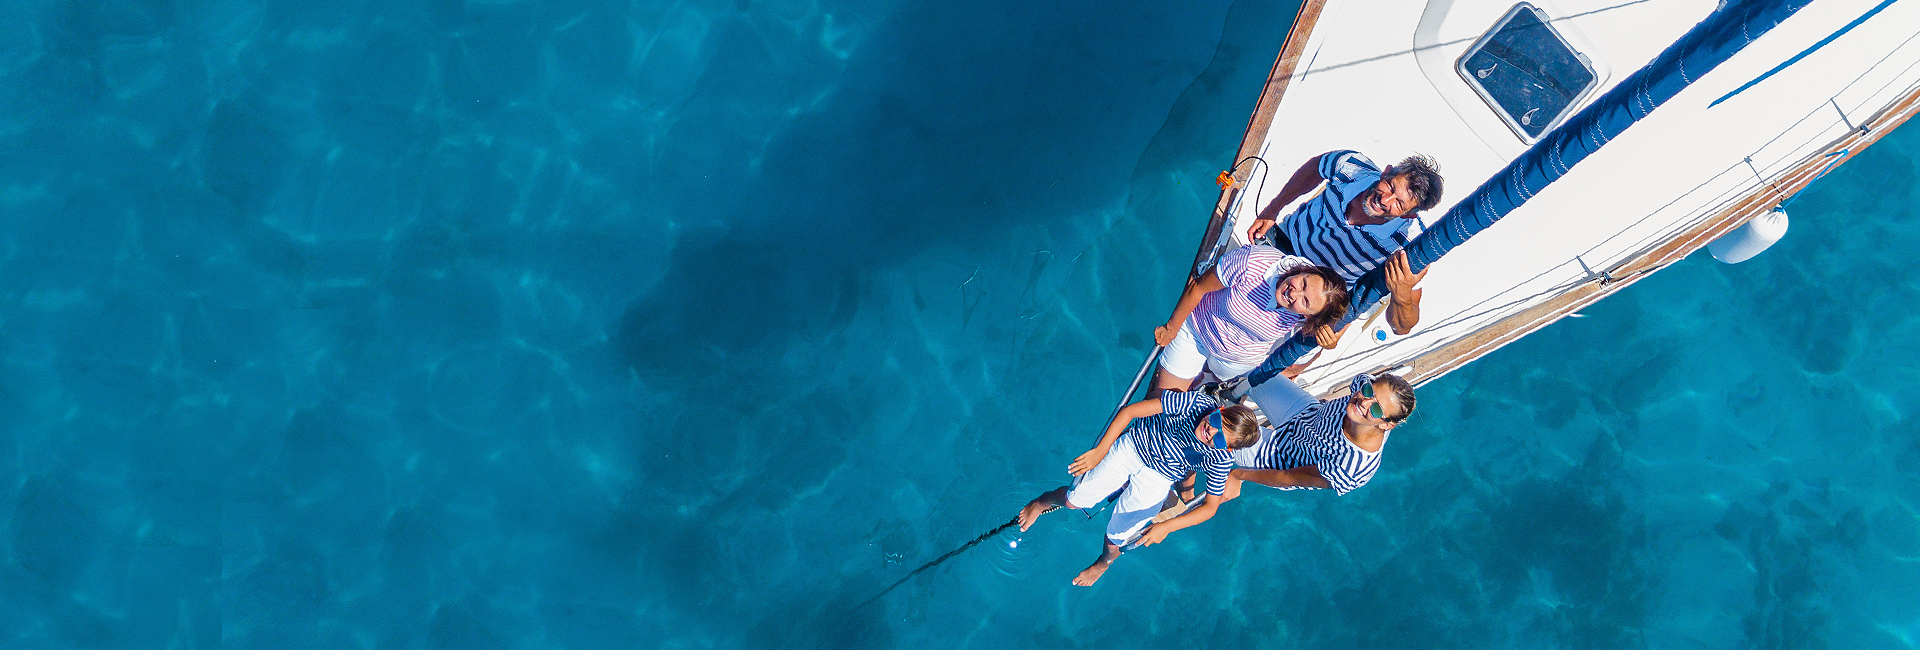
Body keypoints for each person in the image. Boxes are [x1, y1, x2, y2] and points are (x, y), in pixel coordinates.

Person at [1016, 391, 1261, 586]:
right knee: (1073, 501)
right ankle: (1041, 502)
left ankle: (1103, 563)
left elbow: (1210, 508)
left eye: (1219, 439)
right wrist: (1101, 451)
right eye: (1218, 420)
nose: (1211, 430)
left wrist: (1166, 526)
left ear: (1226, 449)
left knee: (1117, 539)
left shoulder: (1220, 460)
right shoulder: (1197, 404)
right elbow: (1131, 411)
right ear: (1219, 409)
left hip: (1160, 477)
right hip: (1133, 447)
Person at [1245, 151, 1444, 337]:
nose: (1384, 199)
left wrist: (1401, 293)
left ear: (1409, 215)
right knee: (1236, 291)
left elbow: (1403, 327)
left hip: (1323, 294)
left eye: (1399, 203)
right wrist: (1273, 209)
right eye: (1390, 186)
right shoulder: (1350, 165)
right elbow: (1316, 167)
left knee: (1306, 351)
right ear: (1385, 171)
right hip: (1285, 243)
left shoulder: (1409, 243)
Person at [1150, 243, 1348, 393]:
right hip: (1197, 332)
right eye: (1303, 283)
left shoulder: (1309, 318)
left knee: (1218, 386)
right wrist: (1171, 328)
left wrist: (1329, 344)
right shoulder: (1254, 263)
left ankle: (1205, 377)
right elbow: (1199, 288)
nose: (1294, 294)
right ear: (1304, 270)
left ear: (1307, 316)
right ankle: (1198, 375)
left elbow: (1331, 330)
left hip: (1239, 359)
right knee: (1163, 405)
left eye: (1305, 302)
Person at [1222, 372, 1414, 499]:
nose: (1364, 402)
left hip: (1276, 458)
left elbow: (1288, 477)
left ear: (1387, 424)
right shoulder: (1363, 387)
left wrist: (1238, 475)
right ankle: (1231, 398)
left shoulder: (1352, 469)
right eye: (1369, 392)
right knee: (1250, 373)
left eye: (1376, 409)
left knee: (1215, 431)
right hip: (1303, 412)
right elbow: (1363, 380)